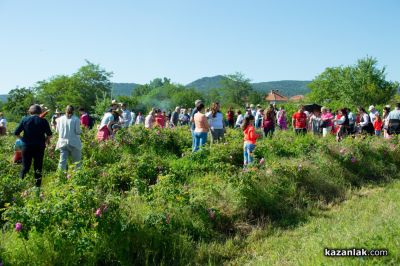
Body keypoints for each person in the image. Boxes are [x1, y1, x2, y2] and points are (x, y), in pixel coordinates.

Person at [14, 104, 52, 187]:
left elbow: (16, 133)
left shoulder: (24, 120)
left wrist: (22, 139)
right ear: (40, 112)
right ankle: (37, 187)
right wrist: (45, 140)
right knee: (38, 167)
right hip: (39, 147)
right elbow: (49, 135)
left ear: (30, 111)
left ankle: (20, 185)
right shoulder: (43, 121)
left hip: (26, 146)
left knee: (25, 167)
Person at [56, 105, 82, 170]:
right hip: (74, 142)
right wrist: (81, 131)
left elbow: (57, 131)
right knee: (76, 161)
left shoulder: (59, 119)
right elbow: (78, 131)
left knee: (62, 161)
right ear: (73, 111)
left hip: (62, 142)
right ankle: (76, 175)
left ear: (65, 111)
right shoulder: (76, 119)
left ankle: (61, 176)